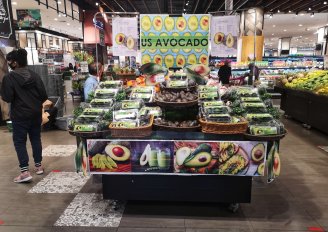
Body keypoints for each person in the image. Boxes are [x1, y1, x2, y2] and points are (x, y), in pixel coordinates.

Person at [0, 49, 48, 183]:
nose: (8, 63)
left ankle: (25, 172)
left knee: (20, 142)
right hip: (35, 114)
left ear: (15, 63)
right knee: (36, 139)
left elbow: (7, 97)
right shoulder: (35, 76)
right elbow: (44, 96)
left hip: (19, 115)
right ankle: (38, 167)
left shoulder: (9, 78)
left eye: (9, 61)